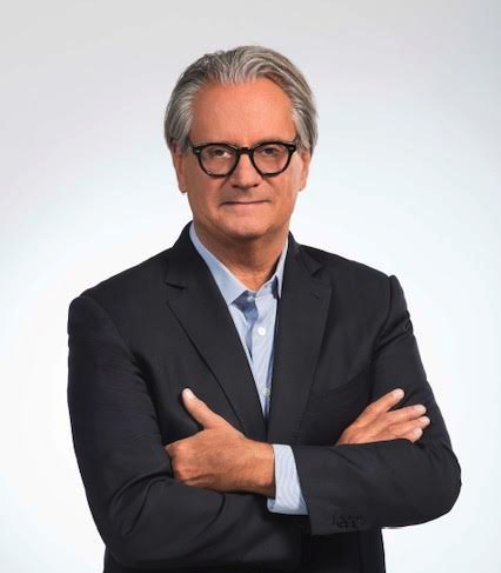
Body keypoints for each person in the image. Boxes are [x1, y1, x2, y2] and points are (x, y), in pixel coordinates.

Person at [67, 45, 462, 573]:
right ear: (180, 164)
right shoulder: (112, 316)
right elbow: (138, 523)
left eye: (270, 150)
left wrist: (261, 467)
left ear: (304, 164)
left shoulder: (370, 299)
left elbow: (431, 478)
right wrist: (336, 479)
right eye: (218, 152)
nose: (245, 175)